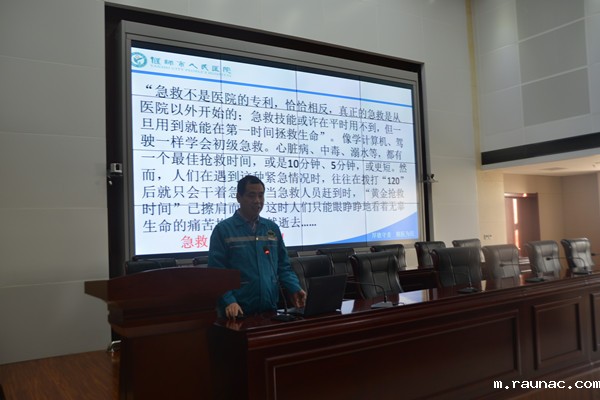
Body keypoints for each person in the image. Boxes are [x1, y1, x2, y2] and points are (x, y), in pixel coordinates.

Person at [208, 175, 306, 319]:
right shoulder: (223, 230)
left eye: (261, 195)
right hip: (237, 313)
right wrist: (229, 301)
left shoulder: (271, 228)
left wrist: (294, 288)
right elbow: (217, 274)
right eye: (251, 195)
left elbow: (283, 266)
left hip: (269, 311)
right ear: (238, 197)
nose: (257, 201)